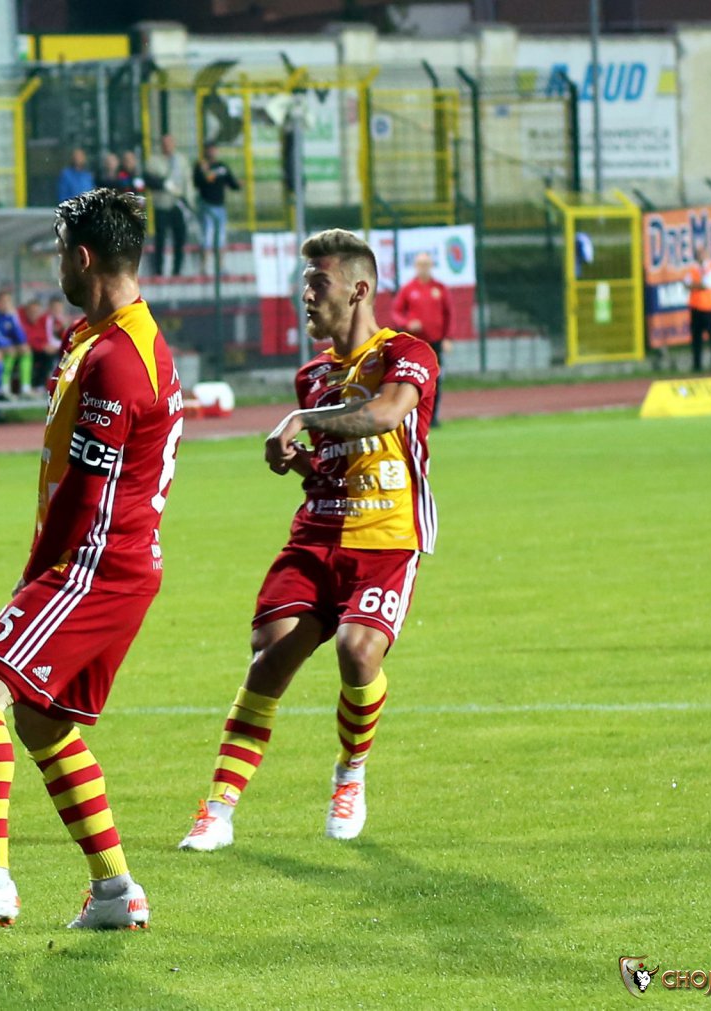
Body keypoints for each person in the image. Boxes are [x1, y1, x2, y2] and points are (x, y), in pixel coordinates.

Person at [0, 188, 185, 932]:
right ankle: (116, 890)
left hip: (95, 562)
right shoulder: (101, 338)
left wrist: (40, 576)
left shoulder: (119, 361)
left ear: (82, 258)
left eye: (60, 253)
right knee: (39, 721)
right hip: (111, 562)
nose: (56, 266)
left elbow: (88, 492)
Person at [179, 229, 438, 854]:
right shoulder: (312, 375)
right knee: (269, 657)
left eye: (318, 283)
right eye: (305, 284)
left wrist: (300, 420)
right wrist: (298, 460)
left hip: (386, 539)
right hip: (317, 535)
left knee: (357, 651)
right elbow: (330, 463)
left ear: (359, 289)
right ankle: (218, 809)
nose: (307, 295)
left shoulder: (407, 352)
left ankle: (350, 773)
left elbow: (385, 413)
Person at [389, 251, 450, 424]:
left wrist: (447, 337)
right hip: (415, 344)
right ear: (415, 267)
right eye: (420, 264)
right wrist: (408, 323)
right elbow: (396, 312)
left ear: (431, 266)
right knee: (413, 379)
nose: (423, 268)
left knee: (435, 380)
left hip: (435, 342)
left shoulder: (439, 288)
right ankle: (412, 416)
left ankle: (433, 417)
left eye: (426, 264)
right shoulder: (408, 289)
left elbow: (448, 314)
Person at [145, 135, 190, 277]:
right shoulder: (154, 161)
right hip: (161, 204)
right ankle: (158, 270)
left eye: (170, 143)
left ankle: (177, 270)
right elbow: (149, 180)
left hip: (177, 203)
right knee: (160, 238)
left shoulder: (181, 161)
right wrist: (163, 184)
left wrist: (188, 200)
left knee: (180, 237)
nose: (167, 146)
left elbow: (187, 181)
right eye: (165, 143)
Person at [193, 143, 241, 274]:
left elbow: (231, 182)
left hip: (220, 206)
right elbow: (197, 183)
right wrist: (204, 172)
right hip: (207, 206)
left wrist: (238, 185)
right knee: (207, 237)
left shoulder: (222, 166)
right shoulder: (200, 166)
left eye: (213, 149)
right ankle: (204, 267)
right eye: (209, 150)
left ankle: (221, 267)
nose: (212, 152)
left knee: (221, 238)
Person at [686, 239, 711, 374]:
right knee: (696, 338)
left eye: (701, 253)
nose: (699, 255)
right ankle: (697, 366)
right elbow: (686, 283)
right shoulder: (693, 268)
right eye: (697, 253)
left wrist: (695, 285)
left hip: (709, 308)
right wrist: (697, 285)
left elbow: (707, 284)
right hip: (695, 307)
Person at [0, 289, 30, 397]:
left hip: (9, 347)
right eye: (3, 301)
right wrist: (7, 345)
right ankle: (4, 387)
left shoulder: (12, 316)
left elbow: (21, 338)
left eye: (8, 301)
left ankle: (26, 387)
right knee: (10, 351)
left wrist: (14, 318)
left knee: (25, 349)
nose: (5, 304)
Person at [27, 295, 66, 392]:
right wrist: (43, 346)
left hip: (58, 348)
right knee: (46, 357)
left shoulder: (63, 322)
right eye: (54, 308)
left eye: (59, 308)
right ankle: (40, 384)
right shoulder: (43, 319)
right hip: (43, 349)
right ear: (50, 308)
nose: (56, 310)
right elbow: (35, 336)